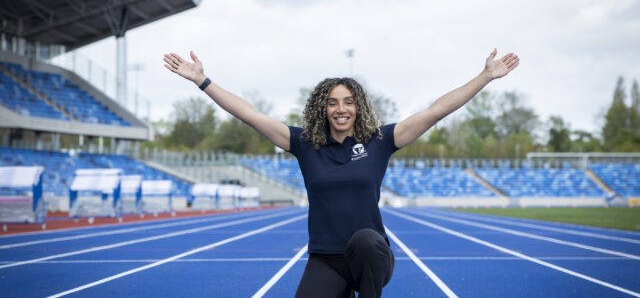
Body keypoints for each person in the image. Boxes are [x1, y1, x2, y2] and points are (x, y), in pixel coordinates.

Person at [163, 49, 519, 297]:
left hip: (372, 258)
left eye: (348, 101)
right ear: (323, 107)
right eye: (333, 102)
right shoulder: (303, 143)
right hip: (326, 259)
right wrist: (203, 82)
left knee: (365, 239)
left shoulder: (380, 141)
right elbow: (251, 115)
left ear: (358, 106)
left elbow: (435, 111)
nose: (341, 108)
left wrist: (485, 76)